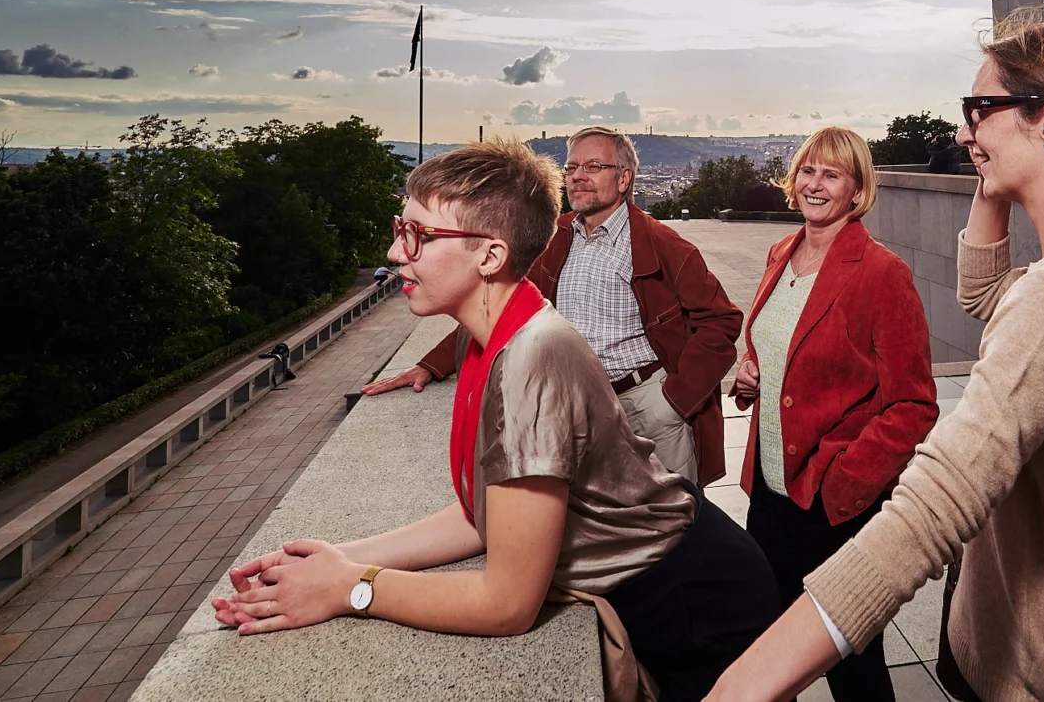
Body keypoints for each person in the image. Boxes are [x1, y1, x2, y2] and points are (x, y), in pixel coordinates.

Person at [704, 11, 1044, 702]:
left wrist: (746, 684)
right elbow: (985, 292)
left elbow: (933, 508)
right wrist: (995, 172)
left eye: (979, 111)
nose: (964, 133)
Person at [214, 141, 777, 702]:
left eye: (419, 235)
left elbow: (507, 604)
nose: (393, 252)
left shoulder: (532, 359)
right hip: (671, 582)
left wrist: (351, 590)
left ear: (489, 257)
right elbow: (485, 512)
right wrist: (345, 557)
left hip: (694, 603)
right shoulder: (495, 335)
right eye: (399, 227)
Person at [365, 126, 741, 485]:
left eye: (593, 166)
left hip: (644, 402)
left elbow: (721, 322)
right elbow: (502, 306)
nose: (578, 176)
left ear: (624, 179)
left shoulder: (664, 244)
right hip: (577, 403)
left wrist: (672, 401)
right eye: (572, 167)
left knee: (677, 522)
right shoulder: (556, 238)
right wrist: (432, 365)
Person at [730, 127, 937, 702]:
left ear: (856, 190)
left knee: (852, 660)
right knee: (770, 643)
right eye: (807, 171)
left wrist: (845, 480)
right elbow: (778, 349)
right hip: (770, 492)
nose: (814, 185)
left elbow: (915, 403)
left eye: (832, 174)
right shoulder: (781, 253)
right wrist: (750, 375)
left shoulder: (880, 273)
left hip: (831, 501)